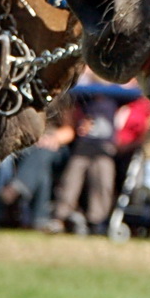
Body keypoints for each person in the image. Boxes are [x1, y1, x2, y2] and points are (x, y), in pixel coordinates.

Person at [49, 79, 124, 234]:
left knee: (103, 179)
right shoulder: (84, 95)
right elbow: (73, 115)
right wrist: (80, 124)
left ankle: (97, 221)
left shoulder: (116, 97)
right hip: (83, 147)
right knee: (71, 179)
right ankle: (60, 217)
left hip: (104, 148)